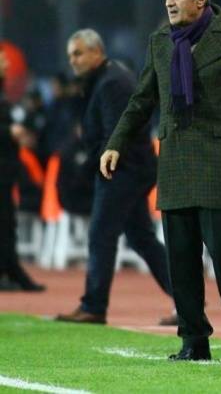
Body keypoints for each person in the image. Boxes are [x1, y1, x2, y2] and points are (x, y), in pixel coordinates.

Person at [101, 0, 221, 361]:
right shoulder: (160, 41)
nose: (169, 3)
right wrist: (116, 143)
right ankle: (193, 340)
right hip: (175, 158)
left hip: (220, 161)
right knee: (181, 256)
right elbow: (142, 100)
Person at [56, 29, 172, 325]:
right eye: (70, 55)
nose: (73, 60)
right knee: (141, 238)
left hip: (122, 170)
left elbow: (115, 136)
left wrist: (87, 170)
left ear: (97, 52)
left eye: (78, 53)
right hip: (129, 168)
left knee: (101, 235)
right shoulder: (106, 79)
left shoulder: (111, 83)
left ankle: (94, 306)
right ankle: (187, 298)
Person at [0, 44, 45, 292]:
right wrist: (9, 131)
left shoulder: (4, 94)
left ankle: (11, 270)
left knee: (7, 222)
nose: (6, 64)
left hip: (7, 169)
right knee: (4, 222)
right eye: (2, 60)